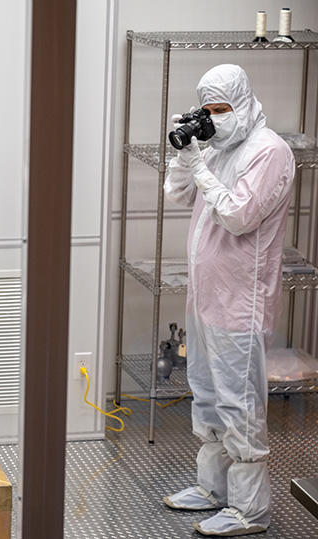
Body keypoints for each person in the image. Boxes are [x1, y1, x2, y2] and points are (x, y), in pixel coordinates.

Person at [162, 65, 295, 536]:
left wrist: (200, 164)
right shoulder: (218, 147)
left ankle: (250, 510)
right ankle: (214, 489)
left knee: (239, 404)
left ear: (242, 102)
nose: (215, 119)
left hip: (241, 301)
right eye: (209, 111)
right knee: (209, 394)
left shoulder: (268, 152)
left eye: (222, 110)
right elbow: (176, 194)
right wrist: (185, 154)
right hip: (205, 298)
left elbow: (239, 216)